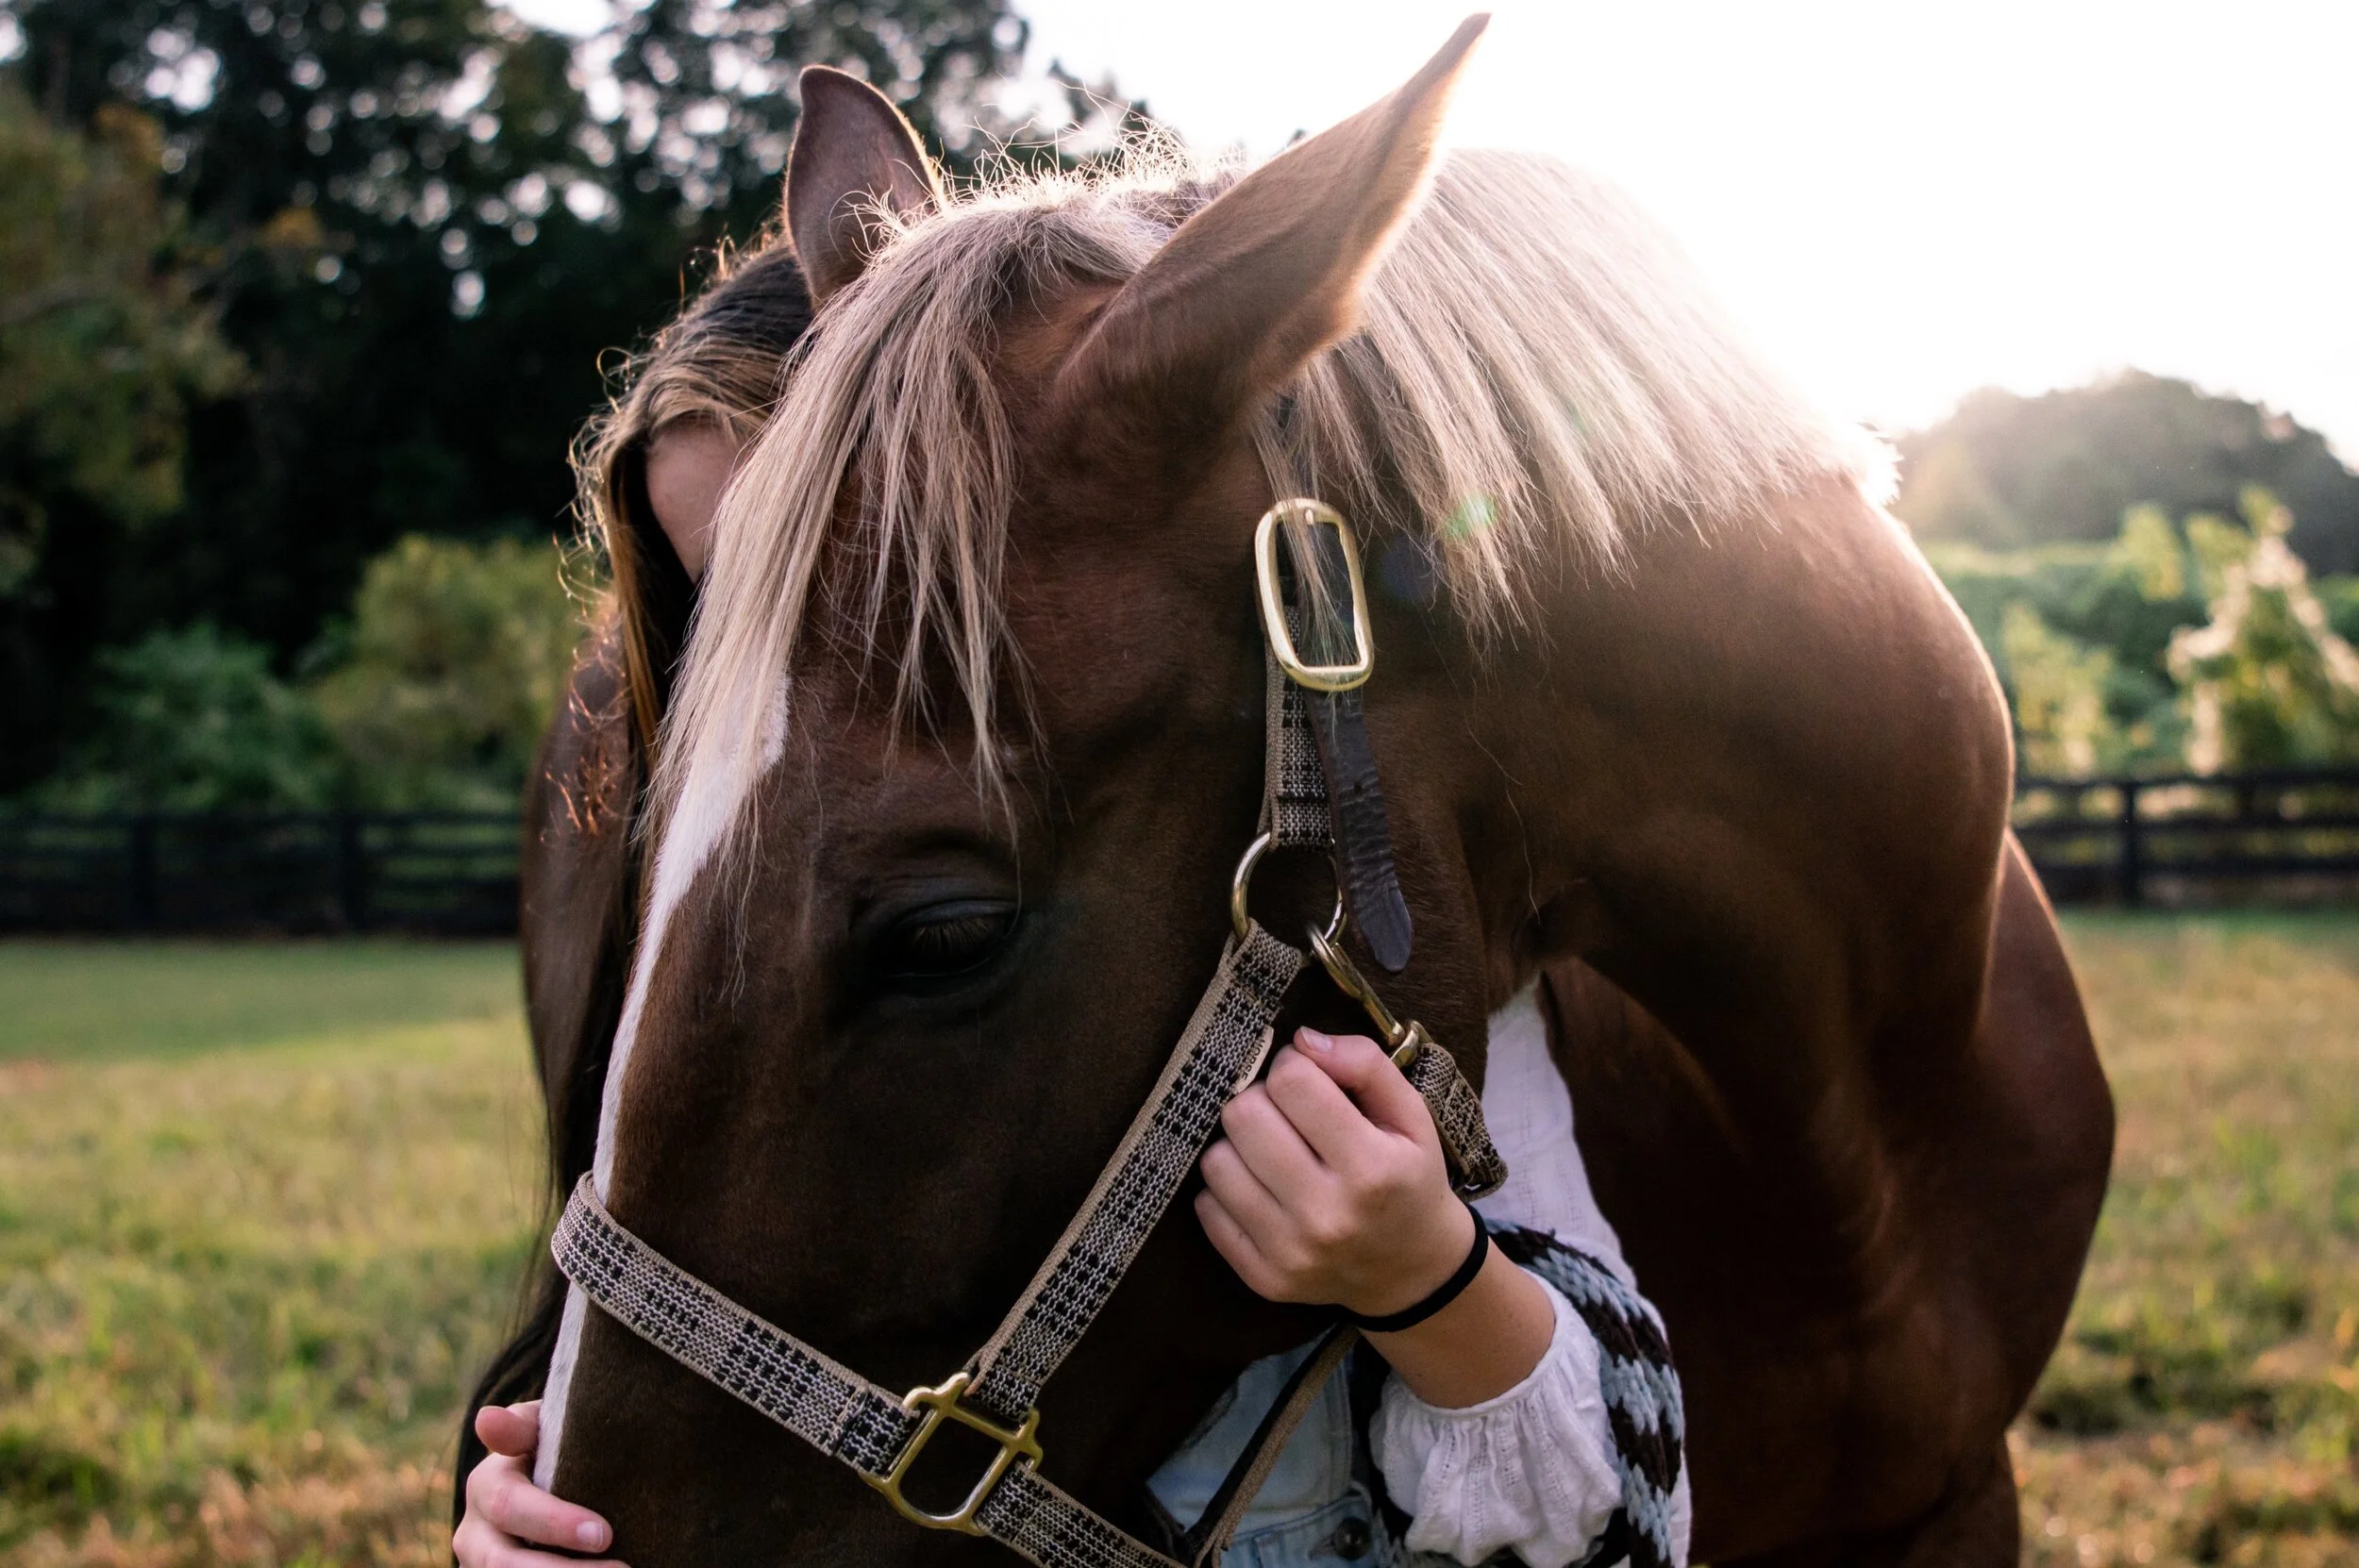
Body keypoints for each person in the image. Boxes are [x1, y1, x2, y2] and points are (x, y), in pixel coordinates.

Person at [455, 228, 1690, 1568]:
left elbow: (1612, 1486)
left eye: (846, 541)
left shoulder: (1311, 910)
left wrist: (1433, 1285)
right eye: (720, 601)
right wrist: (539, 1514)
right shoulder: (722, 876)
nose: (807, 641)